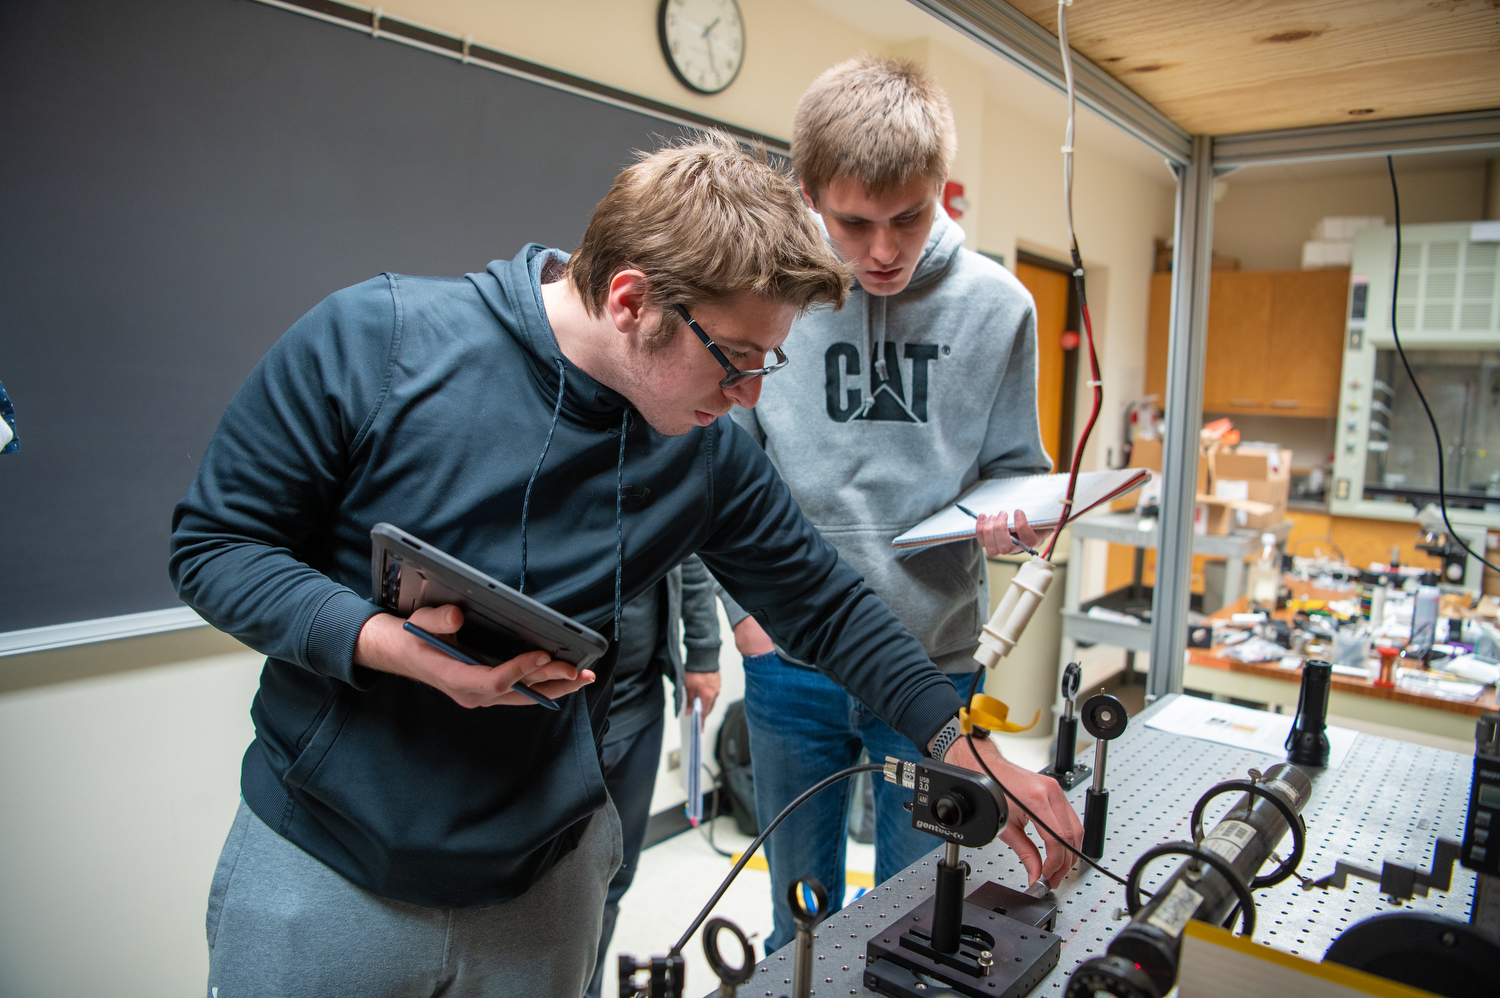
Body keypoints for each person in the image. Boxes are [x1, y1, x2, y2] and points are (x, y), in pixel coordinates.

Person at [170, 133, 1075, 998]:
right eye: (736, 360)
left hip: (544, 877)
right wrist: (386, 644)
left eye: (771, 361)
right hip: (328, 864)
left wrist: (967, 749)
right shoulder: (378, 341)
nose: (751, 395)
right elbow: (216, 546)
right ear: (633, 301)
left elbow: (825, 604)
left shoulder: (703, 450)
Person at [718, 57, 1082, 954]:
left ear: (942, 191)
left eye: (909, 218)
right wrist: (745, 620)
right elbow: (723, 472)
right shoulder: (774, 296)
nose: (883, 251)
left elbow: (1015, 471)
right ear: (807, 196)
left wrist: (1018, 521)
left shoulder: (1001, 305)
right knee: (797, 921)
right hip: (791, 659)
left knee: (917, 912)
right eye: (853, 223)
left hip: (937, 660)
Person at [584, 555, 720, 998]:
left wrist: (702, 651)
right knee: (548, 890)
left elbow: (690, 549)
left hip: (640, 701)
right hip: (555, 715)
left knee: (614, 878)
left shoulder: (651, 483)